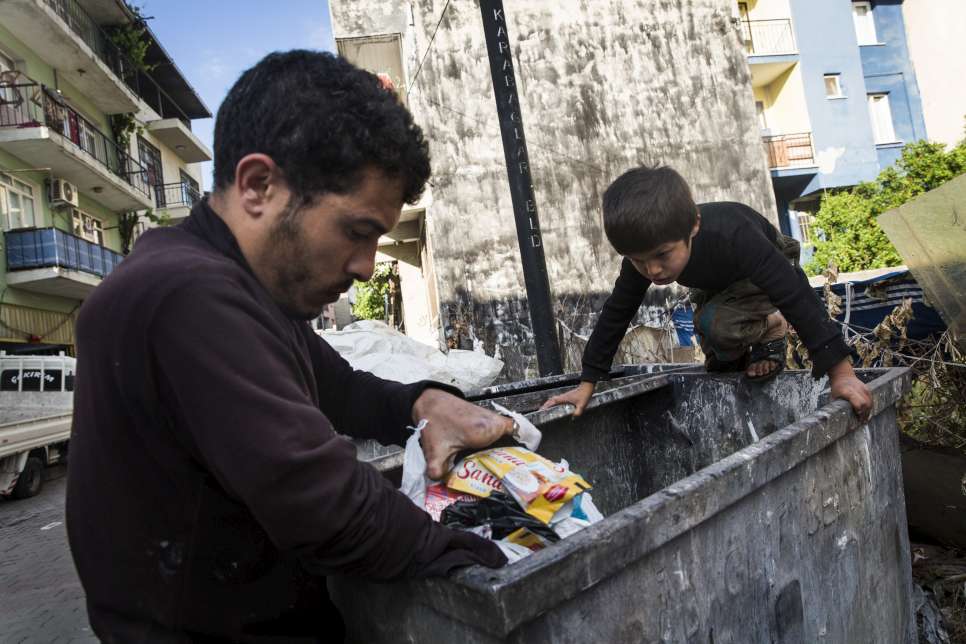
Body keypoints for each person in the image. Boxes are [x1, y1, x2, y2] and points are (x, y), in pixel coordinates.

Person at [66, 51, 510, 642]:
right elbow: (326, 506)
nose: (365, 267)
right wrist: (507, 563)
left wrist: (425, 403)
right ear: (258, 186)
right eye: (357, 232)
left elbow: (341, 389)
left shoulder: (246, 290)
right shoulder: (184, 294)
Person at [541, 165, 872, 419]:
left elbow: (795, 292)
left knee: (718, 324)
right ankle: (757, 349)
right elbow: (617, 311)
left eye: (662, 255)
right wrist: (588, 383)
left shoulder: (734, 235)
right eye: (639, 261)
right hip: (719, 281)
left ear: (693, 227)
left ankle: (772, 327)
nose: (653, 271)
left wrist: (841, 374)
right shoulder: (646, 255)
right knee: (719, 357)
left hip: (769, 265)